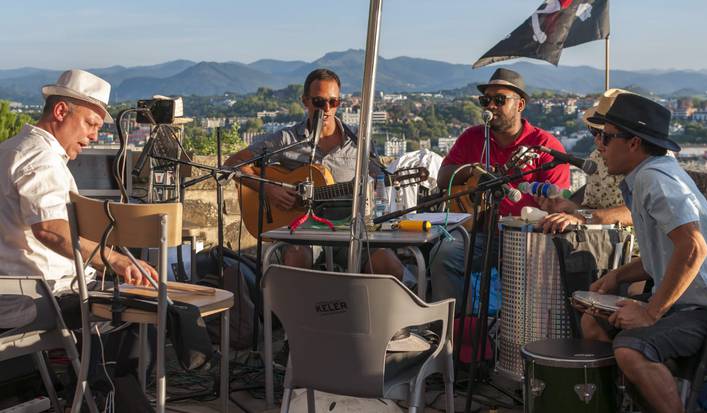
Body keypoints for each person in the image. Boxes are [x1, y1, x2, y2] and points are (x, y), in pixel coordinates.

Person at [0, 69, 159, 403]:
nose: (93, 137)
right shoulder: (40, 157)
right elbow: (49, 229)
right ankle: (104, 401)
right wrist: (113, 260)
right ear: (61, 112)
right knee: (136, 311)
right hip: (33, 297)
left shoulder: (11, 148)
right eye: (90, 124)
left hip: (15, 290)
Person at [578, 92, 707, 413]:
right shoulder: (648, 175)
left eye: (606, 137)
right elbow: (666, 254)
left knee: (631, 350)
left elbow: (694, 248)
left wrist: (650, 313)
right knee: (593, 323)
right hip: (692, 304)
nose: (600, 145)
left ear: (634, 143)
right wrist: (618, 276)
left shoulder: (654, 179)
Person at [226, 68, 412, 284]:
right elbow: (233, 164)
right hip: (304, 233)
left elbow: (379, 180)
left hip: (347, 231)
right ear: (305, 101)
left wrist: (379, 188)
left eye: (333, 102)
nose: (326, 109)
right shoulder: (287, 139)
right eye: (319, 101)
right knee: (295, 259)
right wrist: (269, 190)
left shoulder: (359, 142)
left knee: (390, 267)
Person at [431, 67, 570, 306]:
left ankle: (508, 333)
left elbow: (556, 205)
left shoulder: (545, 145)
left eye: (499, 100)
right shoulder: (472, 137)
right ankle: (453, 326)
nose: (490, 106)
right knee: (443, 254)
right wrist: (473, 170)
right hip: (479, 233)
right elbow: (443, 178)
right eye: (486, 100)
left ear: (520, 105)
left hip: (527, 238)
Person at [538, 88, 633, 233]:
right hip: (603, 246)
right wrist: (569, 208)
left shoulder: (649, 160)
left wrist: (582, 218)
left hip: (638, 251)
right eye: (594, 132)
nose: (597, 141)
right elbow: (592, 209)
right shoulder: (596, 158)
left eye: (604, 135)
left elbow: (639, 211)